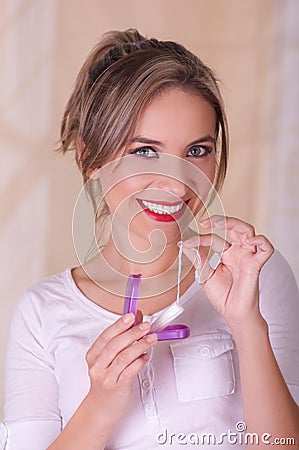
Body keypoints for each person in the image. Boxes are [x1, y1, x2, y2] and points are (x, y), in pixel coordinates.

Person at [1, 28, 298, 450]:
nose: (177, 185)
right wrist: (101, 404)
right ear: (90, 159)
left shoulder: (254, 277)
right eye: (145, 151)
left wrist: (247, 325)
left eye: (197, 151)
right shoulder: (42, 313)